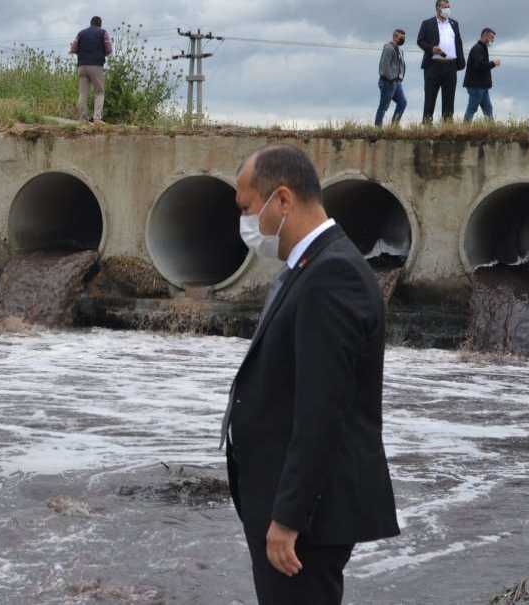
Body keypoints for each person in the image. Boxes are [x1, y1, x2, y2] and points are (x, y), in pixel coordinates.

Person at [220, 146, 400, 605]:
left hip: (308, 519)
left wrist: (288, 519)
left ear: (282, 200)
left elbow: (323, 411)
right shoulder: (311, 265)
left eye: (247, 208)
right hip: (292, 505)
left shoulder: (331, 273)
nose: (245, 222)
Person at [417, 0, 466, 123]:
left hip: (450, 66)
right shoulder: (427, 23)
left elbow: (458, 42)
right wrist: (431, 49)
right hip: (433, 66)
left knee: (449, 99)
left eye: (449, 7)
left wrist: (460, 62)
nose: (447, 9)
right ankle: (427, 124)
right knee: (430, 97)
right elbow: (420, 40)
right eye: (445, 7)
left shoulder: (454, 24)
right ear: (438, 8)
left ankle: (447, 126)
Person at [70, 16, 113, 124]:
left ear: (90, 23)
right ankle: (97, 119)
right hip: (96, 66)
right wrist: (101, 53)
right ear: (100, 24)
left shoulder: (81, 33)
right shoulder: (103, 33)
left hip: (82, 66)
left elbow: (73, 49)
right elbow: (108, 49)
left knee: (83, 93)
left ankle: (83, 119)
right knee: (99, 92)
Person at [464, 28, 500, 122]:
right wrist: (493, 63)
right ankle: (465, 129)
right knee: (472, 108)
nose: (492, 40)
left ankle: (492, 130)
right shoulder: (477, 49)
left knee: (488, 109)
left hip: (483, 86)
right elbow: (479, 66)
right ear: (485, 36)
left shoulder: (482, 48)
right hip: (476, 86)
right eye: (491, 37)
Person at [375, 29, 407, 127]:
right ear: (395, 37)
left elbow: (401, 65)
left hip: (397, 83)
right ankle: (377, 128)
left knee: (402, 102)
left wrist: (400, 78)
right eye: (401, 37)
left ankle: (394, 127)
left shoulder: (400, 50)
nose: (403, 39)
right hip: (387, 82)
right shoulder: (388, 48)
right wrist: (391, 78)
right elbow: (385, 65)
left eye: (404, 38)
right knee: (384, 106)